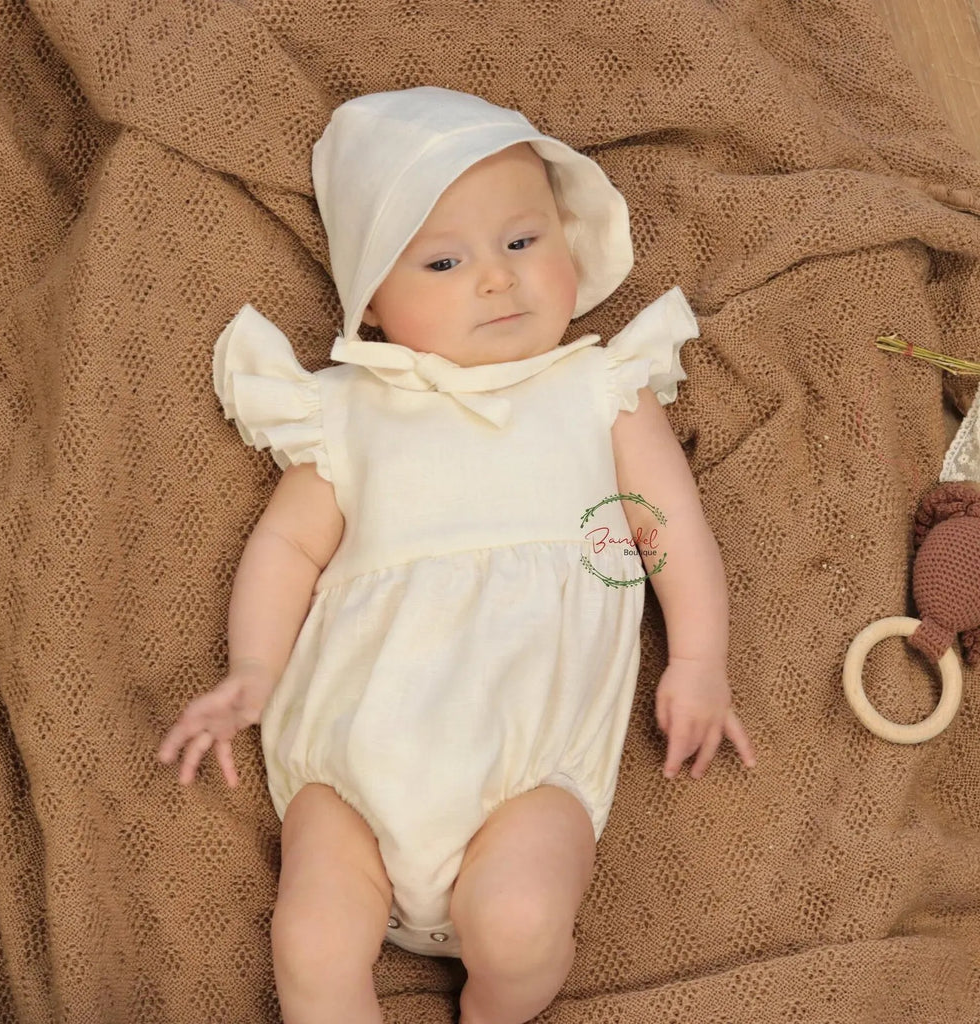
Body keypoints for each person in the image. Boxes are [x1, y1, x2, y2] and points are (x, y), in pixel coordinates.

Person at [158, 86, 756, 1024]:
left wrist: (699, 659)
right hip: (351, 768)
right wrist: (252, 669)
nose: (496, 278)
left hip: (529, 769)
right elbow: (284, 546)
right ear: (378, 309)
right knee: (311, 944)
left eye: (523, 242)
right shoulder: (348, 413)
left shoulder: (600, 391)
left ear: (568, 242)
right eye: (443, 260)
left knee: (519, 924)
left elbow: (666, 525)